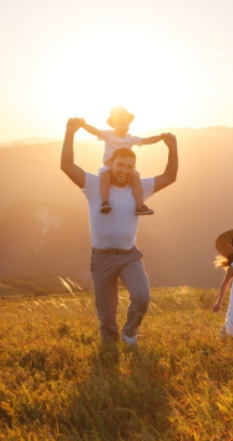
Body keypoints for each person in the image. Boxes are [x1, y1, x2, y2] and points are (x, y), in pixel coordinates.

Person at [60, 117, 178, 346]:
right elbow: (67, 166)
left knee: (142, 298)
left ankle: (130, 333)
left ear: (134, 169)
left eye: (129, 167)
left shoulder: (140, 187)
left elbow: (169, 177)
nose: (124, 170)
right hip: (101, 258)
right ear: (111, 164)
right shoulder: (94, 185)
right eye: (120, 165)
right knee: (106, 315)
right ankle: (110, 352)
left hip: (129, 256)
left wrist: (172, 150)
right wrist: (70, 133)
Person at [79, 106, 169, 216]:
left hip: (124, 167)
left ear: (129, 125)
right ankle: (105, 201)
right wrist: (84, 125)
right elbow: (96, 131)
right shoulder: (108, 135)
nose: (122, 127)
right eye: (118, 124)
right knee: (105, 176)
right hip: (109, 165)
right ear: (113, 125)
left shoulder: (130, 138)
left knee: (135, 178)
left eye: (125, 124)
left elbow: (146, 141)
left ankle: (140, 206)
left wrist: (160, 137)